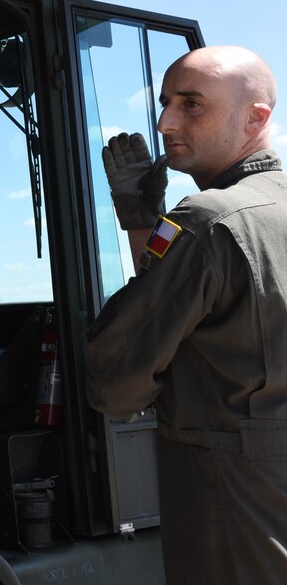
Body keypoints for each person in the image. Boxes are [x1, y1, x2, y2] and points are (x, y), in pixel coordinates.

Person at [85, 46, 287, 583]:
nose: (165, 122)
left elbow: (116, 381)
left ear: (256, 117)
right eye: (165, 103)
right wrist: (144, 222)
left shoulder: (205, 222)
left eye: (191, 104)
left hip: (231, 517)